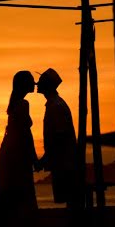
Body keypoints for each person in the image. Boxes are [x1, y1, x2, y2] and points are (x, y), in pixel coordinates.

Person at [0, 70, 40, 227]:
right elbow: (26, 134)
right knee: (22, 188)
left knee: (9, 188)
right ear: (24, 84)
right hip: (18, 153)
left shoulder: (14, 104)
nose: (34, 85)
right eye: (31, 82)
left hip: (9, 151)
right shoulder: (23, 104)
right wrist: (34, 158)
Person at [37, 68, 82, 209]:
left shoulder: (56, 106)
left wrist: (45, 158)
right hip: (63, 160)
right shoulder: (55, 104)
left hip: (65, 162)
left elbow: (59, 137)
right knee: (70, 199)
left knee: (71, 199)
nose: (38, 85)